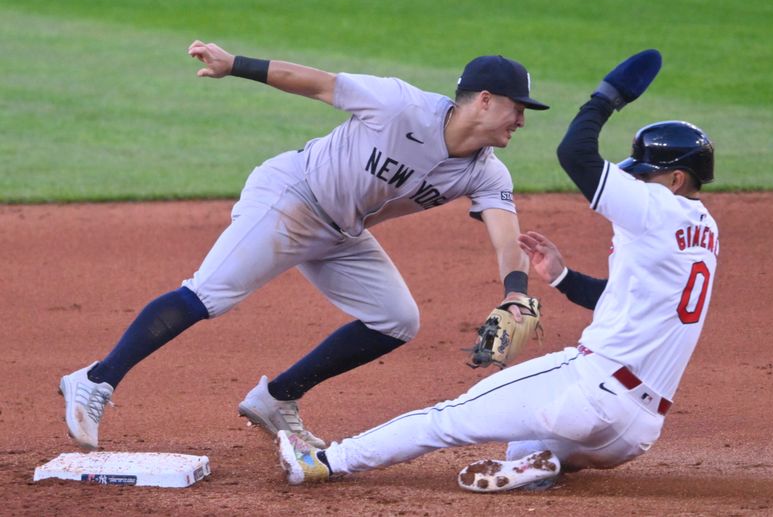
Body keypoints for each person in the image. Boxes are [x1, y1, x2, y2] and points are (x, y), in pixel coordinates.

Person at [57, 41, 552, 450]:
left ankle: (277, 398)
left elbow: (506, 235)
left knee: (397, 320)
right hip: (291, 197)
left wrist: (514, 291)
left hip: (343, 231)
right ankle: (96, 379)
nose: (522, 121)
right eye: (517, 108)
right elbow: (318, 83)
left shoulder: (487, 171)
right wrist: (235, 66)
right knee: (210, 294)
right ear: (484, 100)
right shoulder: (401, 105)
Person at [276, 49, 720, 493]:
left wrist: (608, 97)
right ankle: (540, 465)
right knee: (522, 445)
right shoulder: (706, 233)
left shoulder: (658, 207)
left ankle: (323, 461)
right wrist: (564, 278)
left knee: (447, 419)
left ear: (676, 180)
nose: (635, 184)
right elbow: (626, 298)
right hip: (633, 433)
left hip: (590, 393)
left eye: (644, 176)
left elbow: (576, 153)